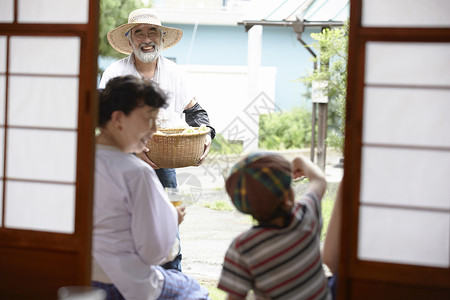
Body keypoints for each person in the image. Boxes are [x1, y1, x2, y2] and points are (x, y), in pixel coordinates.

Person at [92, 75, 210, 300]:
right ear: (118, 119)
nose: (155, 129)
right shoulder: (137, 173)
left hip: (78, 276)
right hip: (122, 284)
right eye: (149, 120)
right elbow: (153, 253)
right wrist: (172, 220)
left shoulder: (75, 161)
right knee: (195, 291)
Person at [98, 7, 215, 189]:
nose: (147, 40)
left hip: (164, 160)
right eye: (139, 33)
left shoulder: (175, 73)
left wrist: (207, 134)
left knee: (169, 210)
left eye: (152, 32)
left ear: (161, 38)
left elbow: (194, 111)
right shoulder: (115, 73)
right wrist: (133, 148)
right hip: (121, 157)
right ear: (129, 41)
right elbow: (103, 120)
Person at [218, 152, 332, 300]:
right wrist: (301, 161)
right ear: (287, 197)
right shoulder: (306, 214)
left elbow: (235, 298)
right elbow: (319, 180)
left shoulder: (242, 248)